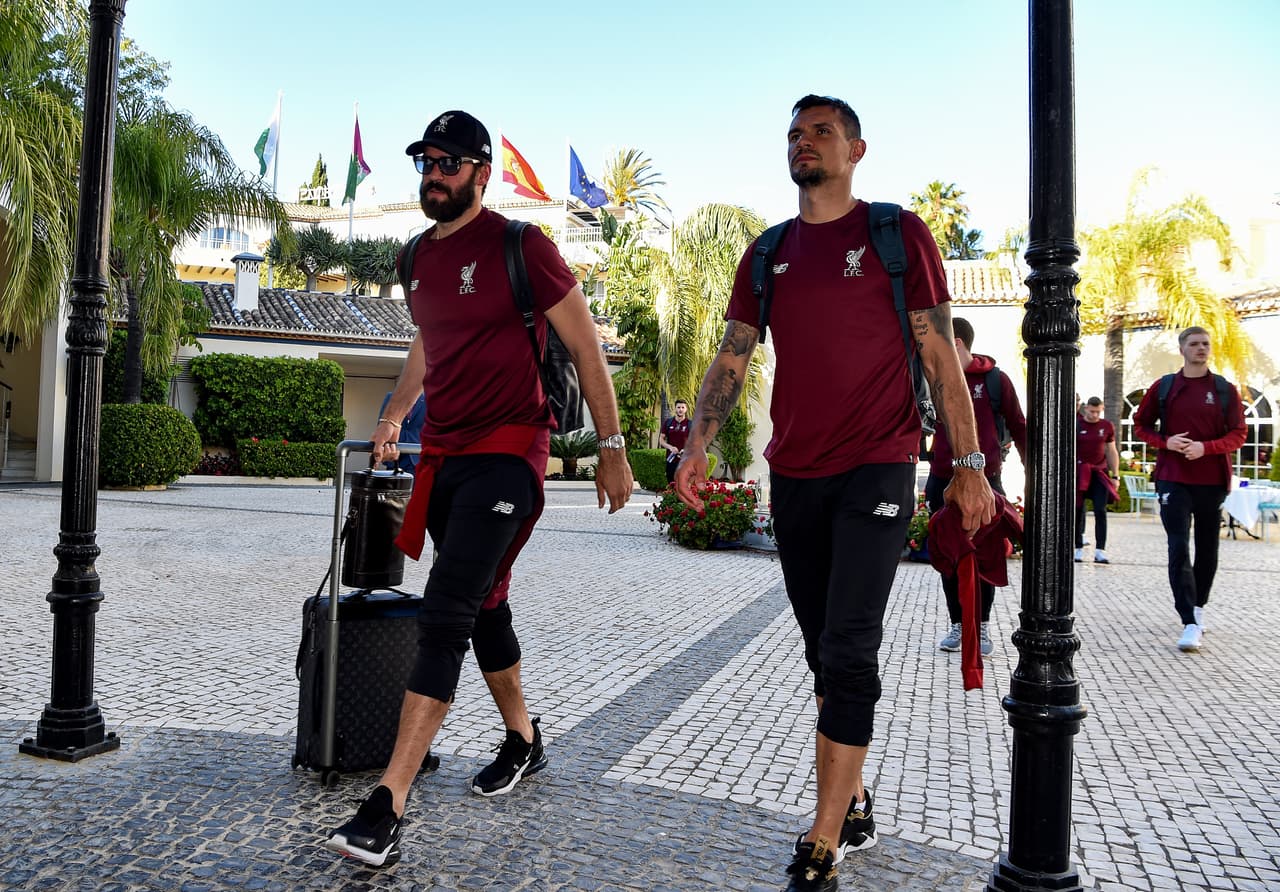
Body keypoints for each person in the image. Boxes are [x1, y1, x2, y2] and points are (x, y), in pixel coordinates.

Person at [674, 94, 995, 892]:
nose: (803, 142)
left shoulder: (895, 234)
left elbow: (938, 356)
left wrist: (970, 462)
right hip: (796, 474)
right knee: (824, 650)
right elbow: (732, 357)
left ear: (856, 150)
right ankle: (852, 800)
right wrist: (696, 446)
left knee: (850, 645)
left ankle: (821, 837)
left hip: (880, 465)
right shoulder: (768, 252)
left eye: (821, 132)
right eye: (794, 133)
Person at [324, 109, 634, 868]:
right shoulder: (414, 260)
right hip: (447, 456)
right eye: (426, 162)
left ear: (480, 173)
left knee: (448, 609)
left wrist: (614, 447)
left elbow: (585, 344)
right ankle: (524, 739)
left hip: (509, 454)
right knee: (485, 599)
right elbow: (429, 339)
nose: (434, 175)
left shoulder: (521, 246)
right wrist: (396, 412)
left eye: (449, 163)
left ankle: (389, 801)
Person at [1132, 327, 1245, 653]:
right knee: (1178, 544)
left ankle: (1198, 606)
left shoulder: (1224, 390)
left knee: (1208, 548)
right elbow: (1141, 425)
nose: (1201, 348)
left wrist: (1206, 448)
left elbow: (1238, 433)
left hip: (1211, 481)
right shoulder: (1165, 387)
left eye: (1205, 344)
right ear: (1181, 349)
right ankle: (1189, 621)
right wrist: (1165, 441)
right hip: (1173, 477)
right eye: (1194, 344)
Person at [926, 317, 1026, 656]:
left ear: (955, 343)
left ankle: (981, 627)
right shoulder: (932, 378)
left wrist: (1034, 472)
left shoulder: (996, 381)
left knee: (986, 556)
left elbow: (1018, 424)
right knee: (949, 556)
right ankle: (958, 624)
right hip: (942, 482)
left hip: (987, 482)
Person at [1075, 396, 1119, 564]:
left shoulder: (1106, 426)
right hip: (1080, 472)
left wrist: (1115, 475)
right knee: (1078, 510)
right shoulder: (1077, 425)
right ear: (1086, 409)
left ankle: (1100, 550)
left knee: (1100, 510)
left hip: (1099, 472)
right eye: (1092, 411)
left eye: (1098, 412)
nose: (1094, 415)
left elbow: (1111, 450)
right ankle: (1077, 547)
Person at [378, 392, 426, 472]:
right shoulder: (391, 397)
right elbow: (382, 424)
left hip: (417, 457)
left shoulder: (428, 399)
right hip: (394, 455)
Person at [658, 399, 692, 484]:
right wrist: (670, 447)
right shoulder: (668, 422)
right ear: (675, 409)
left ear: (686, 409)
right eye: (678, 407)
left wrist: (686, 450)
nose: (680, 409)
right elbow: (661, 440)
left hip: (685, 460)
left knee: (683, 484)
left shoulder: (690, 424)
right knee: (671, 484)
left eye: (683, 407)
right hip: (671, 459)